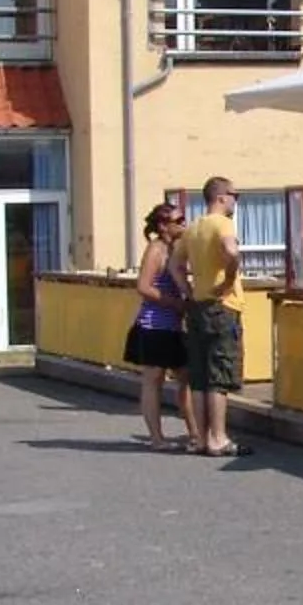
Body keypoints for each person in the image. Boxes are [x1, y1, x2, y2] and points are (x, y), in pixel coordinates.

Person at [172, 177, 242, 457]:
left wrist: (186, 289)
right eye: (234, 195)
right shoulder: (222, 223)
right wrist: (230, 278)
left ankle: (200, 438)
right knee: (220, 373)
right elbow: (230, 250)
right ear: (222, 197)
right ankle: (218, 437)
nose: (236, 201)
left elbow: (175, 265)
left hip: (198, 305)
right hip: (222, 305)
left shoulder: (194, 228)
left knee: (199, 376)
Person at [122, 201, 191, 449]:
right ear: (163, 226)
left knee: (186, 376)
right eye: (178, 221)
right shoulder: (156, 249)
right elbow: (143, 286)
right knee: (154, 378)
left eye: (184, 219)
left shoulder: (176, 249)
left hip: (173, 326)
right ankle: (156, 438)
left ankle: (195, 432)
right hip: (154, 325)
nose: (184, 224)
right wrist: (174, 303)